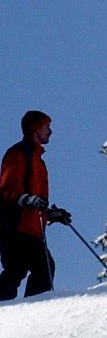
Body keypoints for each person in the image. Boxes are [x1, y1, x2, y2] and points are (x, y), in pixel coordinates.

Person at [0, 111, 72, 300]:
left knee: (43, 269)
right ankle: (12, 309)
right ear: (35, 129)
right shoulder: (18, 153)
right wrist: (26, 199)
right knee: (17, 270)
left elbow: (35, 202)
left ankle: (32, 309)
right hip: (15, 227)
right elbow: (8, 188)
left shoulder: (38, 161)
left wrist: (51, 215)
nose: (50, 131)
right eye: (47, 127)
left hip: (33, 230)